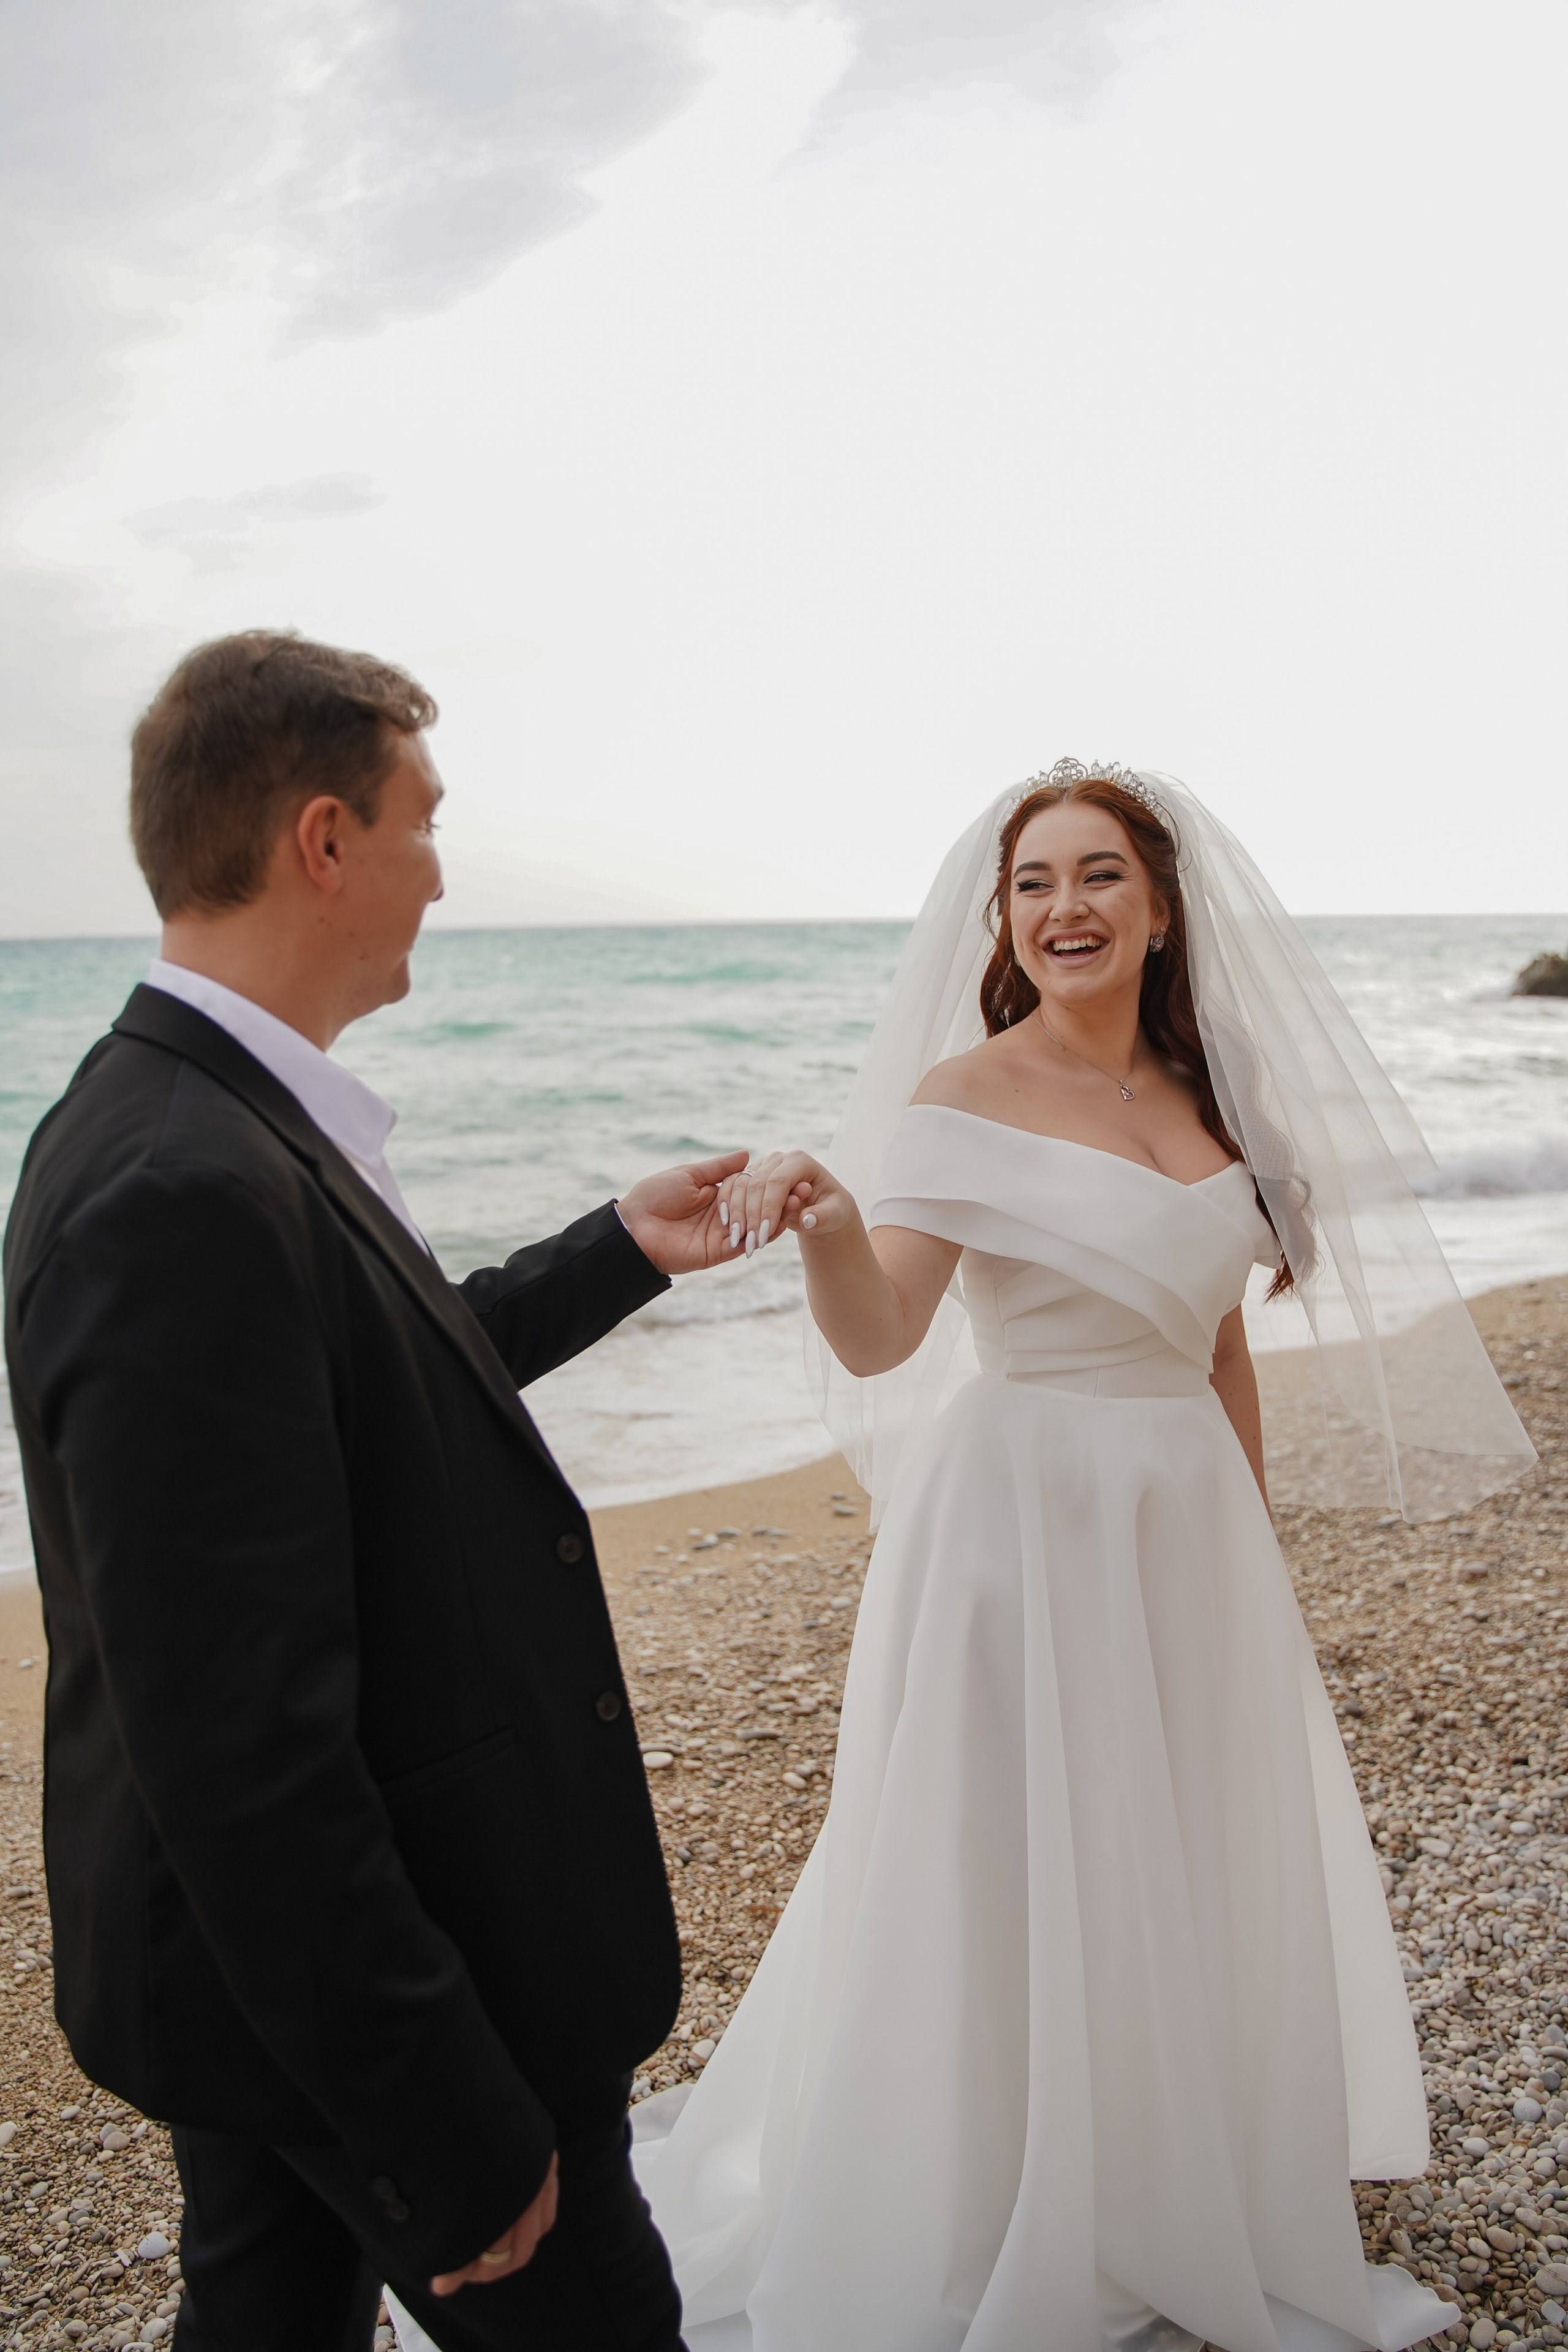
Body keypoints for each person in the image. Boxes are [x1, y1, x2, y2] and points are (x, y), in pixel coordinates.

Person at [630, 763, 1536, 2352]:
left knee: (1168, 1833)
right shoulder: (965, 1096)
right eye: (1034, 883)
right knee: (1003, 1841)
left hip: (1184, 1516)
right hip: (1019, 1514)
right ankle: (993, 2181)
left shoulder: (1210, 1095)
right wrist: (830, 1222)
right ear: (1004, 921)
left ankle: (1160, 2166)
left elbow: (1221, 1350)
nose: (1067, 907)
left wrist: (1251, 1552)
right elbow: (882, 1335)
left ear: (1160, 907)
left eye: (1100, 874)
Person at [2, 631, 745, 2352]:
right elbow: (237, 1743)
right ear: (324, 841)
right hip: (382, 1979)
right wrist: (441, 2117)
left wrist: (616, 1249)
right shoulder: (180, 1185)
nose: (441, 871)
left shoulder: (201, 1116)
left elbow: (379, 1384)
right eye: (424, 821)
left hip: (253, 1981)